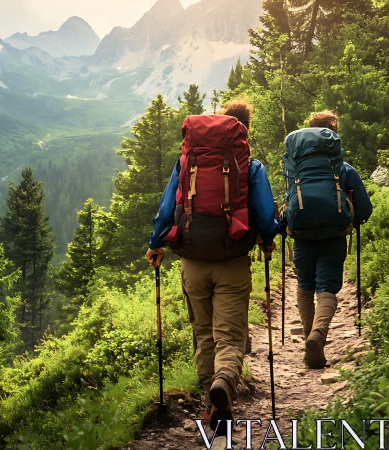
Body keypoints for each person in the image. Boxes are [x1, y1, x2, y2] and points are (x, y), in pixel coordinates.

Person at [145, 99, 279, 434]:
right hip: (232, 260)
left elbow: (166, 208)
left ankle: (211, 402)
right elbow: (265, 215)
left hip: (192, 262)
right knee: (230, 336)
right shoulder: (251, 167)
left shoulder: (187, 161)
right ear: (244, 130)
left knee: (203, 333)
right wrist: (267, 238)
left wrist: (155, 244)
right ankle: (224, 381)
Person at [287, 111, 373, 369]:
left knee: (304, 285)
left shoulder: (295, 167)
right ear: (333, 135)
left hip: (302, 236)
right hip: (334, 236)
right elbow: (365, 210)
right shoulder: (344, 169)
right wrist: (351, 219)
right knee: (327, 287)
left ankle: (308, 339)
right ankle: (318, 336)